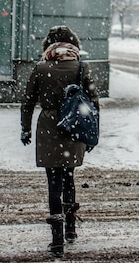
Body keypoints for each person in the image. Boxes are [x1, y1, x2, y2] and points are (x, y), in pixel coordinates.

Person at [20, 25, 100, 258]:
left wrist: (26, 129)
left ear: (49, 46)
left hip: (48, 127)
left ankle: (56, 240)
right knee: (69, 178)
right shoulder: (81, 68)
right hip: (74, 127)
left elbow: (27, 102)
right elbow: (94, 104)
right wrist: (93, 134)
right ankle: (71, 228)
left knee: (53, 181)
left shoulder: (41, 68)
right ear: (73, 44)